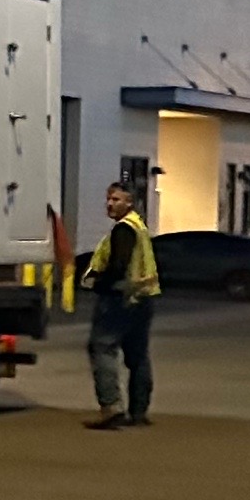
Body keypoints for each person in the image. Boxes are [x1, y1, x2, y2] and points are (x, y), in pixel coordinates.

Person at [80, 179, 159, 428]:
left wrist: (99, 284)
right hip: (143, 299)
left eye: (116, 199)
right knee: (138, 356)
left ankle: (111, 407)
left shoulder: (124, 229)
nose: (110, 204)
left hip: (119, 298)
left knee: (102, 347)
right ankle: (139, 411)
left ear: (130, 202)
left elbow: (118, 265)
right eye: (109, 198)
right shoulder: (140, 227)